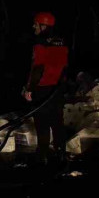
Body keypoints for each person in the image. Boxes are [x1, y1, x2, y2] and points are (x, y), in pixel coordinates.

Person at [22, 12, 69, 166]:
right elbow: (64, 67)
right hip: (57, 89)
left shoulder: (40, 42)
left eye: (36, 24)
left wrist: (29, 89)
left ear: (43, 26)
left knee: (41, 122)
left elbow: (38, 68)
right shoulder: (61, 42)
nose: (33, 26)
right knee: (57, 121)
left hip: (42, 89)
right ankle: (61, 152)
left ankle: (42, 155)